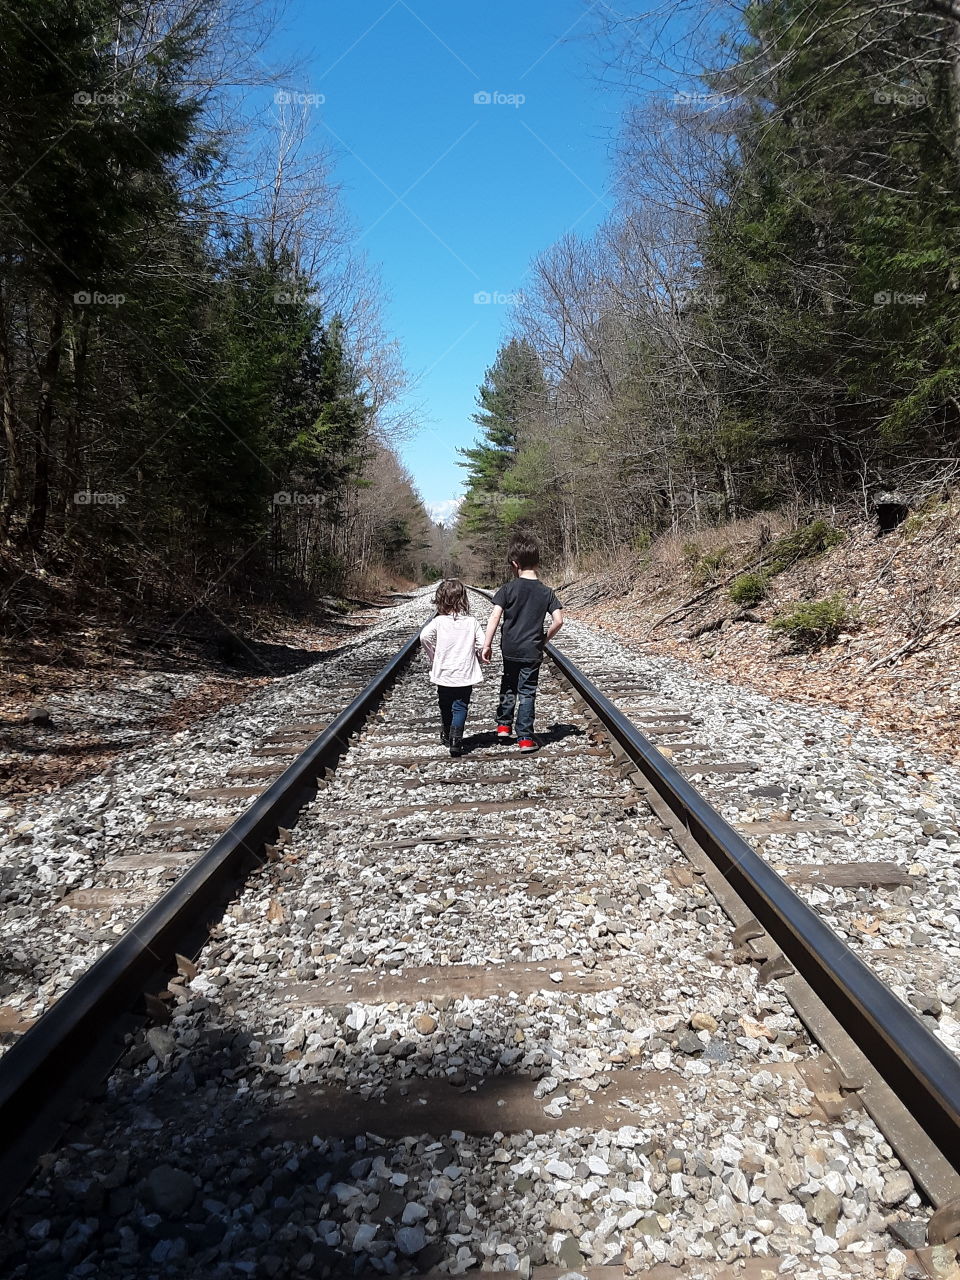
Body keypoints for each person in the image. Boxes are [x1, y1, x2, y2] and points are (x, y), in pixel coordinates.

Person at [482, 531, 563, 752]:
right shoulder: (546, 592)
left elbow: (494, 617)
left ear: (515, 564)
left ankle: (503, 727)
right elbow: (558, 620)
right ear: (536, 563)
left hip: (510, 648)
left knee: (508, 684)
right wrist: (544, 639)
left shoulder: (508, 589)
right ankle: (525, 738)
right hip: (531, 650)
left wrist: (486, 644)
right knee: (527, 691)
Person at [419, 579, 486, 757]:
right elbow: (482, 642)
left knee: (445, 703)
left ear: (440, 600)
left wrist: (434, 655)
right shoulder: (471, 622)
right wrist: (479, 655)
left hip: (444, 673)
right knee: (461, 705)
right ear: (463, 600)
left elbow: (424, 637)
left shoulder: (438, 622)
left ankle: (448, 734)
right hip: (464, 672)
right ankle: (456, 740)